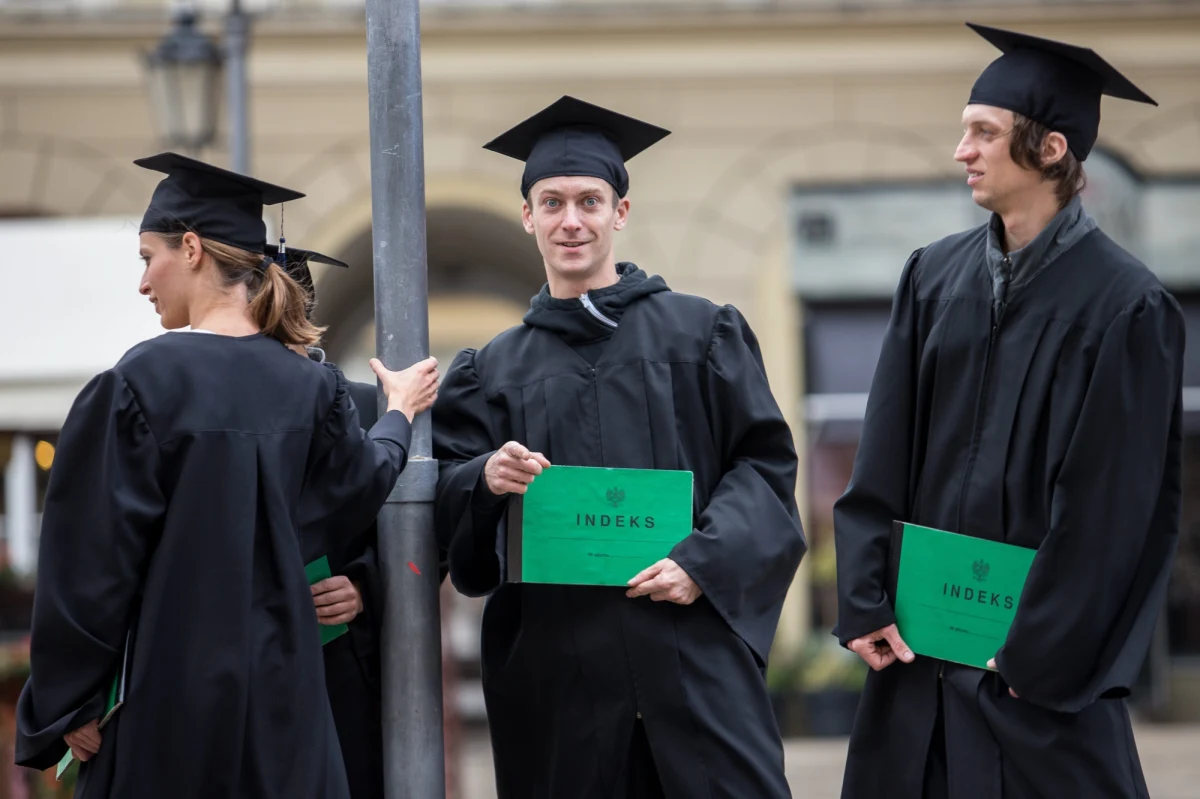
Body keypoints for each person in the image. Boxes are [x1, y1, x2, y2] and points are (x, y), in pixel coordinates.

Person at [15, 153, 439, 799]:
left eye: (146, 256)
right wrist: (400, 413)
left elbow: (89, 566)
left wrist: (69, 702)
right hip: (288, 707)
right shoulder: (313, 391)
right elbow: (361, 482)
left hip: (167, 704)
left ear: (190, 248)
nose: (142, 281)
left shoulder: (140, 384)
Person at [833, 24, 1183, 799]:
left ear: (1050, 149)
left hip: (1032, 684)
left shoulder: (1127, 308)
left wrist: (1038, 654)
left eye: (984, 132)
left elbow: (1110, 511)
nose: (963, 150)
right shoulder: (932, 277)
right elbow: (882, 452)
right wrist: (864, 597)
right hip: (917, 667)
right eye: (966, 131)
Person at [433, 96, 806, 799]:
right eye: (552, 203)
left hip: (694, 659)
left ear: (620, 213)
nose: (571, 220)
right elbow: (448, 518)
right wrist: (485, 476)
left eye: (589, 201)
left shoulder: (702, 336)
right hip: (558, 682)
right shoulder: (492, 370)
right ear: (528, 216)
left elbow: (762, 467)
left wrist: (703, 561)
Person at [271, 242, 390, 799]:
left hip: (341, 662)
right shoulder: (210, 403)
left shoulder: (363, 407)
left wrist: (365, 584)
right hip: (247, 657)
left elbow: (419, 534)